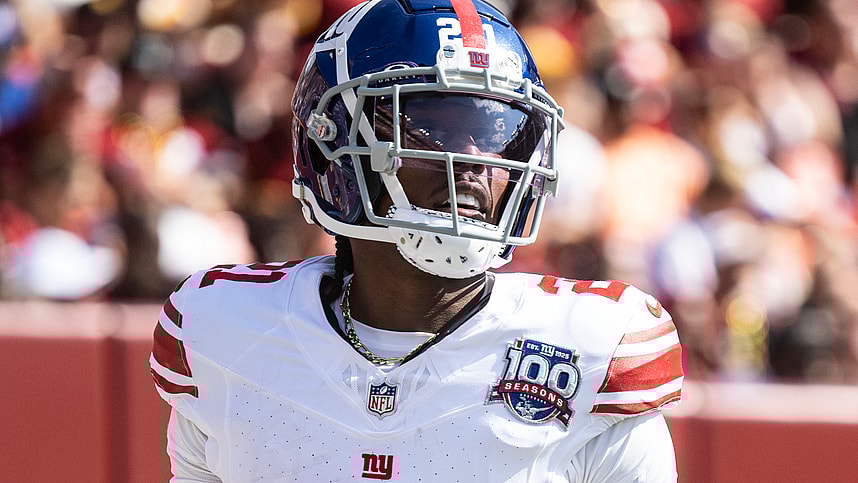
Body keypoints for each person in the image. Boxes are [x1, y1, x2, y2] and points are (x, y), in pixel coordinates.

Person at [150, 0, 684, 481]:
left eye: (501, 132)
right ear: (331, 143)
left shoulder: (592, 350)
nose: (479, 158)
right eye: (436, 125)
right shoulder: (224, 333)